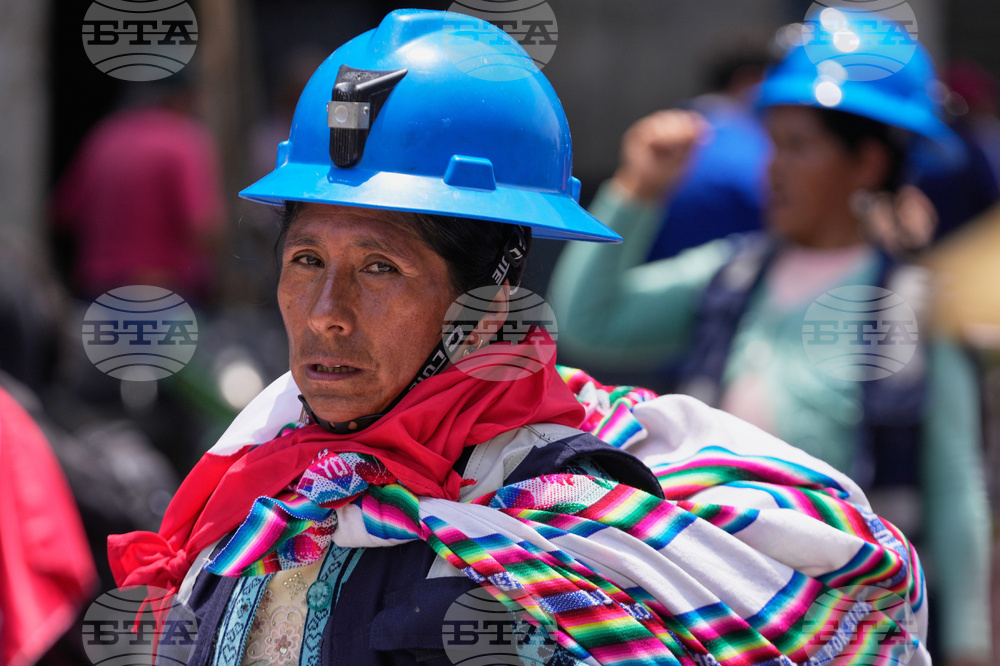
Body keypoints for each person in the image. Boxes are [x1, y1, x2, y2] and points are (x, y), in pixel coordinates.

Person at [108, 10, 930, 665]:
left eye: (381, 269)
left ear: (489, 304)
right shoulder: (261, 478)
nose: (326, 311)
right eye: (307, 259)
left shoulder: (571, 552)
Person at [550, 16, 991, 666]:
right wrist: (636, 192)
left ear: (866, 162)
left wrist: (971, 644)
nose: (773, 168)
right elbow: (591, 318)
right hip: (724, 610)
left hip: (851, 627)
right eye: (773, 143)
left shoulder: (917, 309)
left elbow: (954, 485)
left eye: (799, 146)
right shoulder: (730, 275)